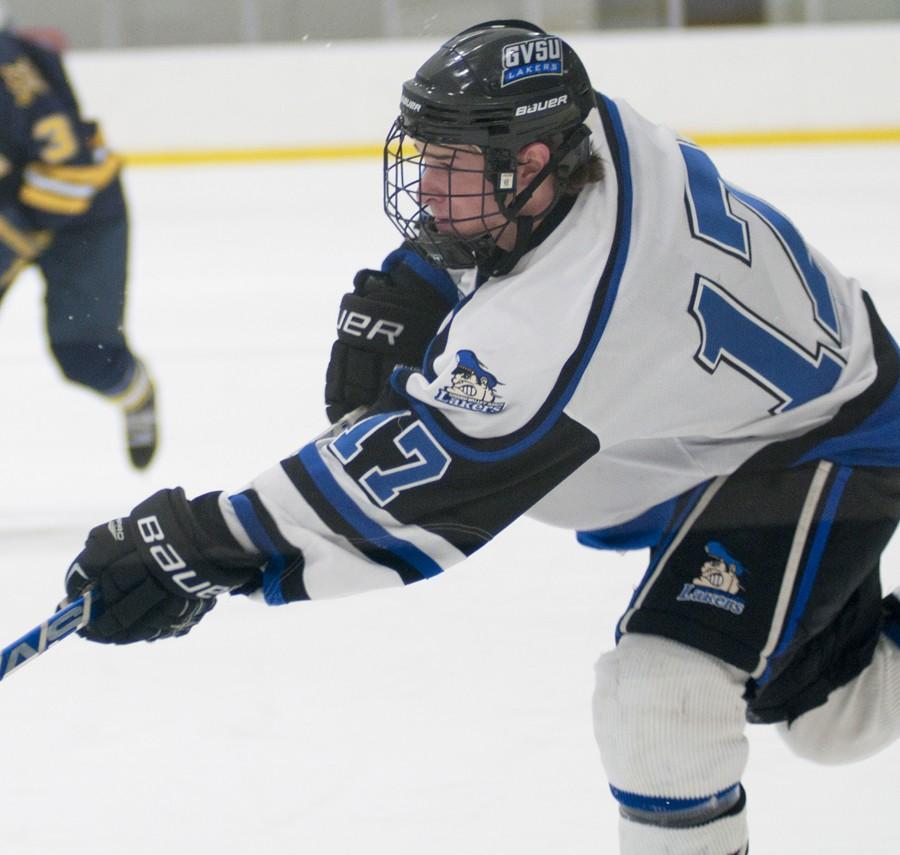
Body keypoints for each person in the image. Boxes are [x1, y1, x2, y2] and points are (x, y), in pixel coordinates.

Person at [62, 19, 900, 854]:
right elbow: (503, 238)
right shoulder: (586, 136)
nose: (425, 187)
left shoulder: (560, 321)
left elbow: (411, 494)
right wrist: (414, 283)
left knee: (663, 697)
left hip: (827, 435)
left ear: (531, 163)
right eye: (425, 153)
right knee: (837, 717)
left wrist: (193, 545)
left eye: (448, 163)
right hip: (708, 422)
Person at [0, 5, 157, 468]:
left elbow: (69, 168)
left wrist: (13, 236)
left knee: (86, 356)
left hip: (82, 215)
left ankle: (136, 395)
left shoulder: (9, 72)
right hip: (17, 207)